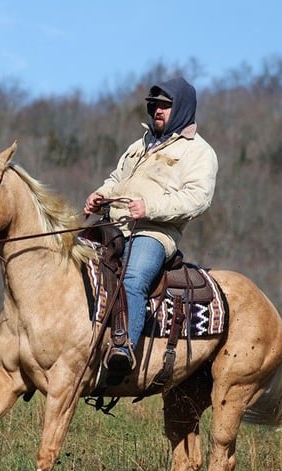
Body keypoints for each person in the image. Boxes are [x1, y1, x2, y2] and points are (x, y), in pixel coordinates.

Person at [84, 77, 218, 374]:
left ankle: (123, 348)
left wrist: (150, 209)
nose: (158, 110)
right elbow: (117, 179)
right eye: (155, 105)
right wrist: (100, 195)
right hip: (115, 226)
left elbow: (198, 199)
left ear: (182, 109)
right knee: (69, 260)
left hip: (154, 233)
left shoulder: (198, 152)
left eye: (166, 106)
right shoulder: (139, 145)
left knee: (132, 279)